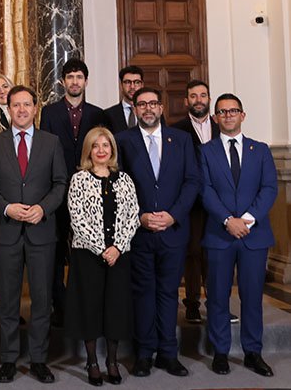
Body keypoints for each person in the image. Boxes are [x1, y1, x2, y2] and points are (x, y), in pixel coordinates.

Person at [0, 85, 68, 383]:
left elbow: (60, 183)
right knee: (8, 300)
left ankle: (38, 360)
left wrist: (42, 209)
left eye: (27, 105)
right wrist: (6, 208)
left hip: (41, 232)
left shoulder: (51, 142)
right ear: (8, 109)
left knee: (42, 300)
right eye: (16, 105)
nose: (21, 110)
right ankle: (8, 359)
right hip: (7, 232)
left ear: (35, 108)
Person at [115, 87, 200, 378]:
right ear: (135, 109)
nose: (148, 109)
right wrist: (139, 216)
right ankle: (144, 354)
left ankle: (168, 353)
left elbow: (192, 181)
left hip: (173, 231)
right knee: (142, 293)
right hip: (139, 232)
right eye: (142, 104)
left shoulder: (182, 140)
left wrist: (173, 215)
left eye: (153, 103)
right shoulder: (122, 140)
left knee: (168, 292)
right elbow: (119, 185)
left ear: (161, 108)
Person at [200, 94, 277, 378]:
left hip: (253, 235)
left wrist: (246, 220)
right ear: (215, 118)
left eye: (233, 111)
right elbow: (205, 189)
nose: (228, 115)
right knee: (218, 296)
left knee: (252, 296)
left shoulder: (261, 150)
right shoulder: (205, 151)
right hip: (219, 235)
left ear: (242, 115)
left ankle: (253, 352)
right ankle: (220, 352)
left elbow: (269, 188)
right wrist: (227, 220)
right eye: (222, 112)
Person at [65, 126, 140, 386]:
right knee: (90, 307)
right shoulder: (79, 179)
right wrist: (101, 249)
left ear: (112, 150)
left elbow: (133, 216)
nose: (100, 150)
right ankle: (92, 362)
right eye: (95, 146)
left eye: (105, 145)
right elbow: (77, 219)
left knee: (115, 308)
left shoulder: (125, 180)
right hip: (88, 255)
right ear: (88, 150)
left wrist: (117, 247)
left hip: (119, 255)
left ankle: (112, 360)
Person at [40, 58, 106, 328]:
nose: (75, 82)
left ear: (86, 81)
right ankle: (60, 305)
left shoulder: (98, 114)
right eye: (70, 77)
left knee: (87, 249)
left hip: (90, 192)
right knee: (56, 251)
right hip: (58, 190)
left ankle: (86, 304)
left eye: (79, 77)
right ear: (63, 82)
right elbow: (44, 151)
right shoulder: (49, 112)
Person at [170, 79, 221, 324]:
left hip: (220, 202)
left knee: (216, 254)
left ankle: (217, 304)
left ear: (209, 99)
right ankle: (192, 304)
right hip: (191, 203)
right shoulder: (176, 130)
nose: (198, 100)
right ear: (186, 101)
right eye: (193, 96)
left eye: (202, 95)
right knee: (192, 253)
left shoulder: (222, 126)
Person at [103, 66, 144, 135]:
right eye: (128, 82)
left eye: (137, 82)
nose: (132, 87)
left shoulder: (152, 112)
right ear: (121, 85)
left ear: (142, 85)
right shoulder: (108, 114)